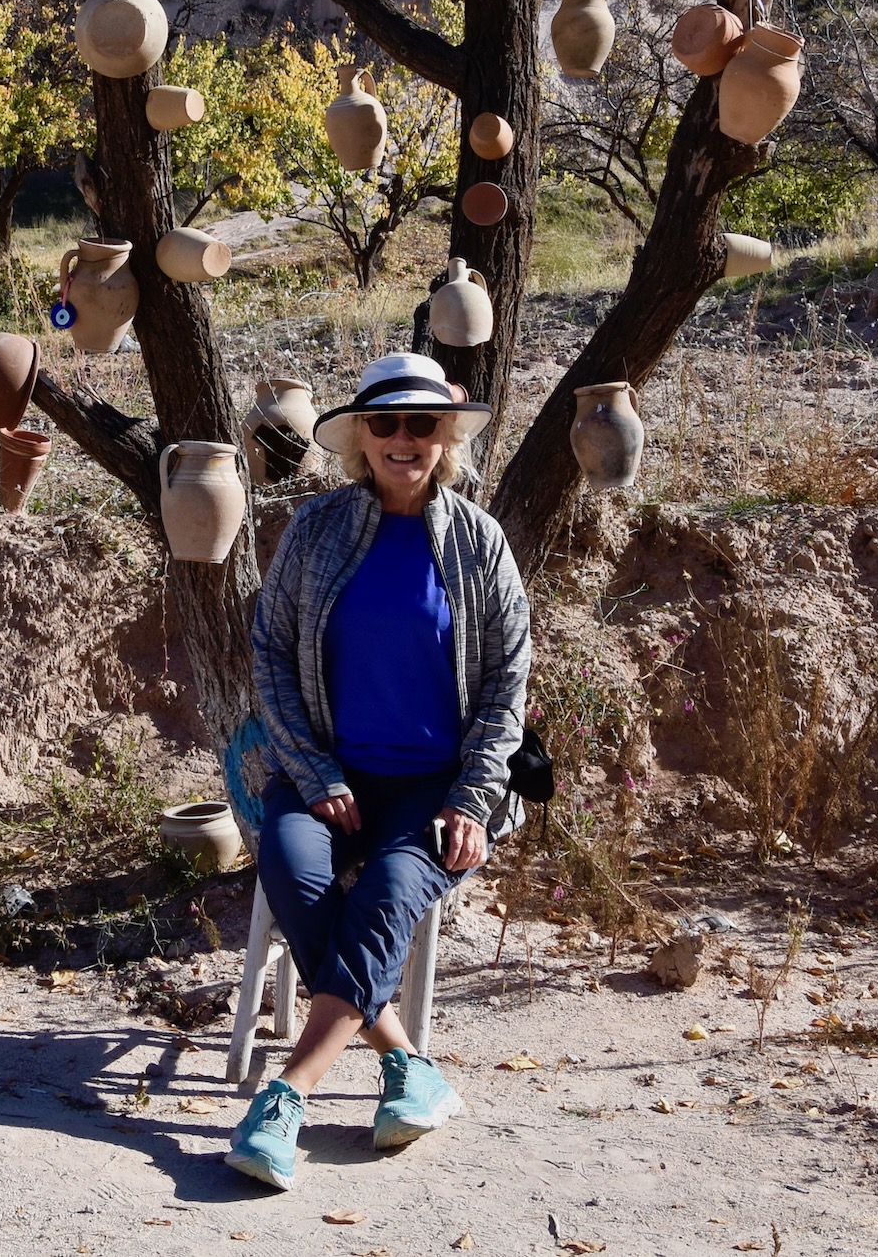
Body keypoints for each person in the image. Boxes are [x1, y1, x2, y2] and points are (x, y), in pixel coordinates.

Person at [226, 352, 531, 1193]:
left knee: (391, 888)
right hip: (323, 772)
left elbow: (507, 681)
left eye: (420, 425)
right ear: (359, 436)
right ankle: (407, 1065)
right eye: (385, 424)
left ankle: (285, 1094)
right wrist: (315, 770)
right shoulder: (317, 529)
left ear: (444, 438)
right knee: (291, 864)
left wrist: (473, 796)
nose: (403, 440)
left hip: (434, 784)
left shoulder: (479, 541)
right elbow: (272, 657)